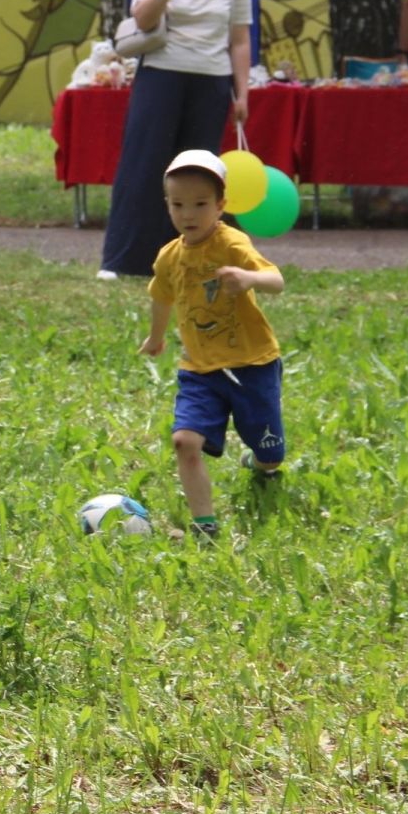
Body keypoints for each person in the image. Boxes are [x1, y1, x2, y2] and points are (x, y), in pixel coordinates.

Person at [99, 0, 252, 280]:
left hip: (211, 80)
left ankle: (190, 260)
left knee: (197, 174)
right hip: (161, 75)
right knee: (143, 164)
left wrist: (242, 93)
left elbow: (239, 40)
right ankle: (121, 261)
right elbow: (143, 19)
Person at [138, 150, 286, 541]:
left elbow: (276, 280)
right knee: (184, 441)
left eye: (200, 204)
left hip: (252, 364)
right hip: (200, 369)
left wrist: (249, 278)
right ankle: (205, 526)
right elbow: (161, 296)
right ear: (168, 205)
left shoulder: (232, 243)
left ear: (221, 205)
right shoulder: (169, 257)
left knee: (272, 455)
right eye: (178, 205)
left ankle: (260, 464)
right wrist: (156, 337)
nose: (188, 214)